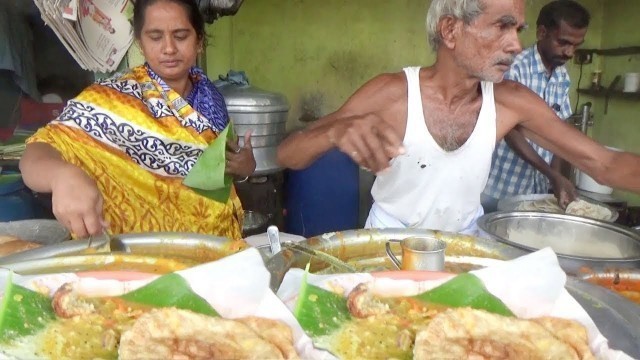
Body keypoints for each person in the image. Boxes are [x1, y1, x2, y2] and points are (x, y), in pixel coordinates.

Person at [277, 0, 640, 235]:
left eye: (518, 30)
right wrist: (335, 131)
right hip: (388, 244)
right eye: (502, 26)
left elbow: (604, 163)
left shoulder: (512, 103)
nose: (515, 44)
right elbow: (289, 154)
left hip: (465, 246)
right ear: (451, 30)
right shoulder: (393, 93)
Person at [19, 0, 256, 240]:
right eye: (155, 37)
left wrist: (246, 167)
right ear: (141, 44)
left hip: (212, 249)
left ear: (199, 42)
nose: (169, 48)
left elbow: (219, 173)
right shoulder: (111, 99)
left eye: (181, 36)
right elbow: (35, 154)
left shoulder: (211, 99)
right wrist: (61, 176)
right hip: (138, 257)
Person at [482, 0, 589, 213]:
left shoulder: (562, 76)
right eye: (563, 42)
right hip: (500, 188)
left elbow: (560, 131)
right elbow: (509, 131)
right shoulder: (513, 68)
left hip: (538, 191)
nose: (569, 52)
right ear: (542, 33)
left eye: (576, 46)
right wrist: (551, 174)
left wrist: (554, 181)